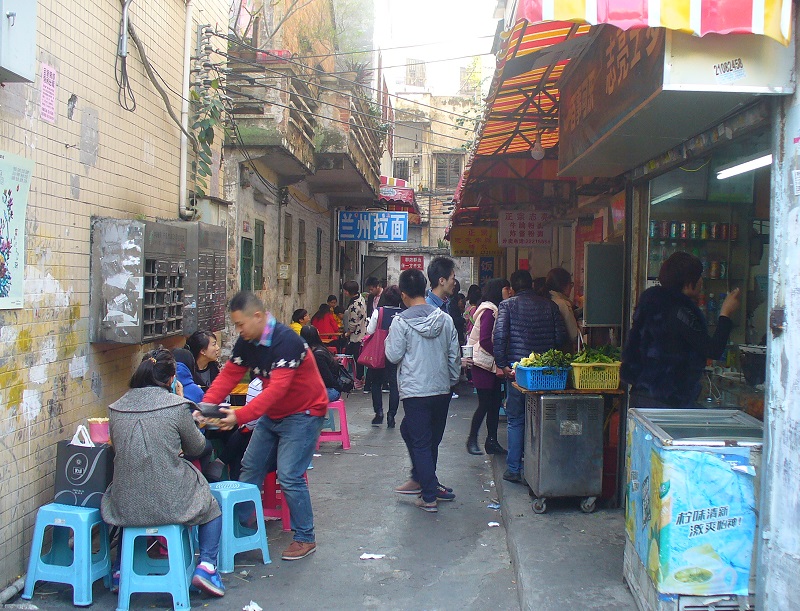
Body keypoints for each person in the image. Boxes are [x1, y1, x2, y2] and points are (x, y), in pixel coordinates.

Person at [202, 291, 328, 561]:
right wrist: (204, 407)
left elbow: (277, 390)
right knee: (251, 466)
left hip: (304, 413)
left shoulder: (287, 342)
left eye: (239, 324)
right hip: (274, 414)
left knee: (290, 474)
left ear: (257, 317)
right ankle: (242, 524)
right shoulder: (248, 341)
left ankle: (305, 537)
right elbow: (228, 376)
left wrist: (240, 416)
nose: (238, 330)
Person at [101, 349, 225, 598]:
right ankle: (207, 567)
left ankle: (120, 570)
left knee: (133, 499)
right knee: (210, 505)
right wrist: (179, 402)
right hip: (170, 501)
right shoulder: (176, 406)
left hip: (124, 502)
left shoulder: (116, 407)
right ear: (171, 379)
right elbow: (197, 447)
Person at [621, 251, 741, 407]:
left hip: (640, 396)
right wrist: (726, 313)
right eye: (699, 277)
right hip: (664, 401)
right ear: (688, 283)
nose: (701, 283)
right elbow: (712, 350)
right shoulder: (680, 312)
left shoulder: (651, 304)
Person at [386, 269, 460, 513]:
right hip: (441, 389)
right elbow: (454, 355)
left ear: (404, 294)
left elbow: (393, 354)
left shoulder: (401, 322)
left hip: (416, 391)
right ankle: (425, 480)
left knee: (420, 442)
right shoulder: (445, 319)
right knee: (427, 440)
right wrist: (451, 380)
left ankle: (428, 495)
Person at [494, 270, 567, 483]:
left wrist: (502, 365)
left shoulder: (506, 306)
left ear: (513, 289)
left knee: (516, 420)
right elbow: (560, 337)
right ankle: (541, 468)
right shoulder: (550, 306)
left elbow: (500, 337)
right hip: (546, 375)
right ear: (532, 286)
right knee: (543, 420)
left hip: (518, 373)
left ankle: (514, 469)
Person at [465, 278, 508, 456]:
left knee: (494, 403)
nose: (509, 292)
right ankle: (472, 440)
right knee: (484, 404)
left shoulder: (494, 309)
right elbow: (484, 340)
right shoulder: (489, 311)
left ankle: (492, 441)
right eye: (506, 289)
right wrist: (500, 358)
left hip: (491, 364)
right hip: (483, 364)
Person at [365, 285, 402, 427]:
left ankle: (378, 412)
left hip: (379, 351)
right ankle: (391, 415)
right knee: (394, 384)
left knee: (376, 383)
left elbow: (370, 331)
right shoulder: (403, 313)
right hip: (396, 352)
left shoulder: (378, 312)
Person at [301, 324, 343, 402]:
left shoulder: (318, 356)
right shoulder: (319, 350)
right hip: (326, 387)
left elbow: (327, 379)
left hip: (331, 390)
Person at [546, 267, 582, 351]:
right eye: (571, 284)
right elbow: (574, 335)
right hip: (561, 352)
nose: (571, 288)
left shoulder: (544, 299)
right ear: (564, 285)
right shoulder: (563, 304)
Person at [342, 281, 368, 386]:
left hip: (356, 335)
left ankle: (357, 379)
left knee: (353, 357)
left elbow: (353, 323)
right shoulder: (360, 298)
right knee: (357, 358)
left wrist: (347, 333)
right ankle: (359, 378)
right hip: (363, 332)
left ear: (348, 292)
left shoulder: (354, 305)